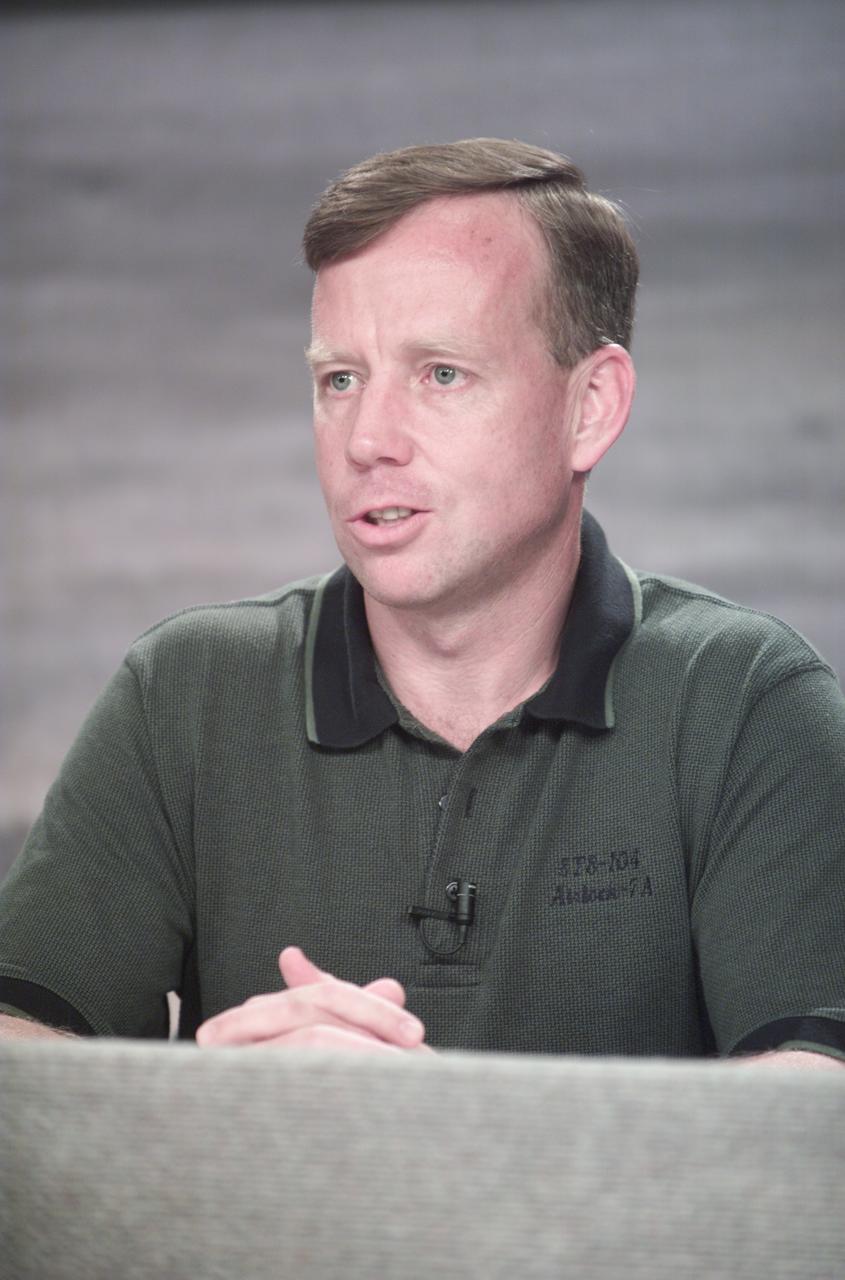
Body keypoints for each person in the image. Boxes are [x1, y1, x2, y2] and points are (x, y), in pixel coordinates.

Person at [1, 139, 843, 1066]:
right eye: (340, 379)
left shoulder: (747, 705)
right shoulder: (183, 696)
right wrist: (213, 1123)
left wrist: (421, 1142)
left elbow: (811, 1150)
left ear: (590, 407)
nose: (367, 439)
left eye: (441, 374)